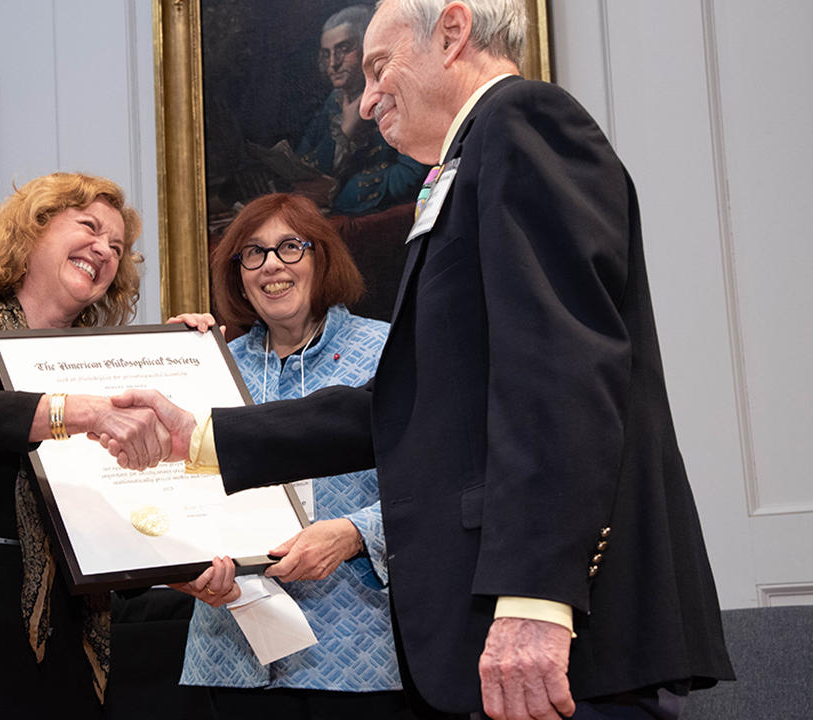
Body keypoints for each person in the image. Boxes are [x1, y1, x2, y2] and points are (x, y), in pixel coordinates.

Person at [115, 1, 736, 718]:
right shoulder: (468, 164)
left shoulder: (521, 122)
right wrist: (198, 437)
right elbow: (406, 405)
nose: (367, 96)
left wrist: (536, 599)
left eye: (379, 67)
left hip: (554, 632)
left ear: (452, 31)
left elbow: (561, 376)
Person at [0, 172, 176, 719]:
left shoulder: (104, 370)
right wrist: (84, 412)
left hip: (71, 631)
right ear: (30, 232)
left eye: (116, 247)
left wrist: (189, 358)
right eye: (89, 227)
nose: (104, 250)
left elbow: (119, 514)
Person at [170, 194, 407, 718]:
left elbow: (433, 482)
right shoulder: (210, 365)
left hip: (354, 654)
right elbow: (169, 489)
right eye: (252, 253)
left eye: (290, 247)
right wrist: (167, 359)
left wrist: (353, 534)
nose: (271, 264)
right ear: (239, 275)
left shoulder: (390, 352)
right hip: (230, 656)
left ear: (321, 257)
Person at [296, 5, 426, 216]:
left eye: (344, 49)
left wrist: (339, 193)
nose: (333, 64)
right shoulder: (334, 100)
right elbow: (304, 158)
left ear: (367, 49)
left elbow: (411, 173)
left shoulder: (397, 94)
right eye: (327, 54)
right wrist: (344, 132)